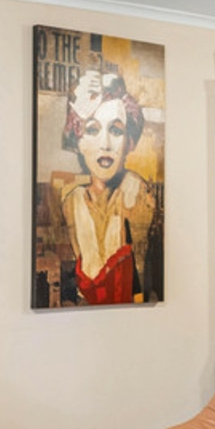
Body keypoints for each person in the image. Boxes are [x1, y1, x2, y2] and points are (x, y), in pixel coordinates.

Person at [57, 69, 160, 304]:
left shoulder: (136, 192)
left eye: (115, 130)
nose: (105, 144)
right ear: (78, 141)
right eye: (92, 129)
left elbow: (142, 289)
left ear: (129, 142)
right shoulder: (72, 202)